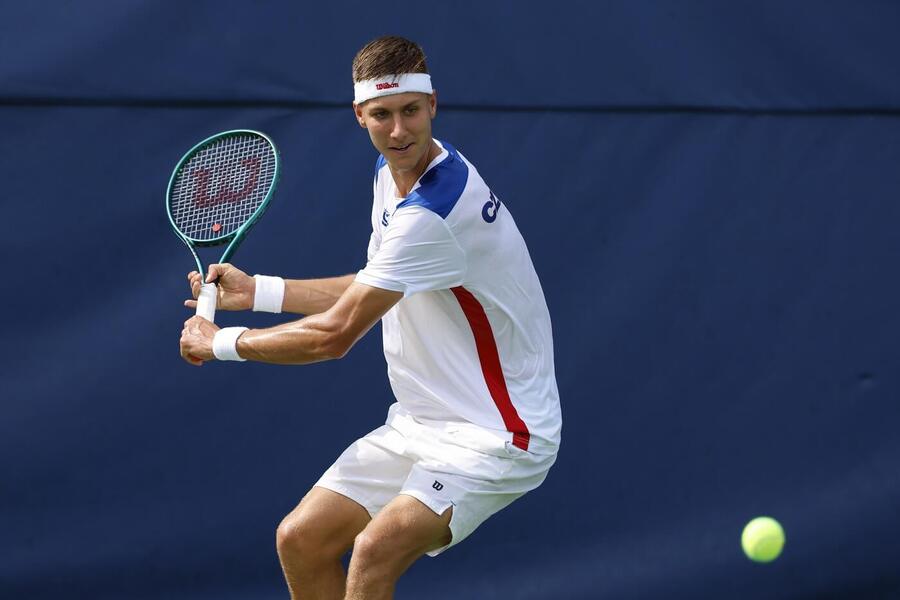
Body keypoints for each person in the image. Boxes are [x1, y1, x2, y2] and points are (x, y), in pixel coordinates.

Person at [179, 35, 561, 600]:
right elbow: (373, 286)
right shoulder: (392, 179)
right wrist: (258, 291)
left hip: (498, 434)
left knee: (373, 552)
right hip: (421, 421)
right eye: (382, 115)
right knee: (301, 539)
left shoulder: (433, 212)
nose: (399, 131)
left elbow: (336, 335)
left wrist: (222, 342)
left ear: (433, 105)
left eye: (411, 111)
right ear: (360, 116)